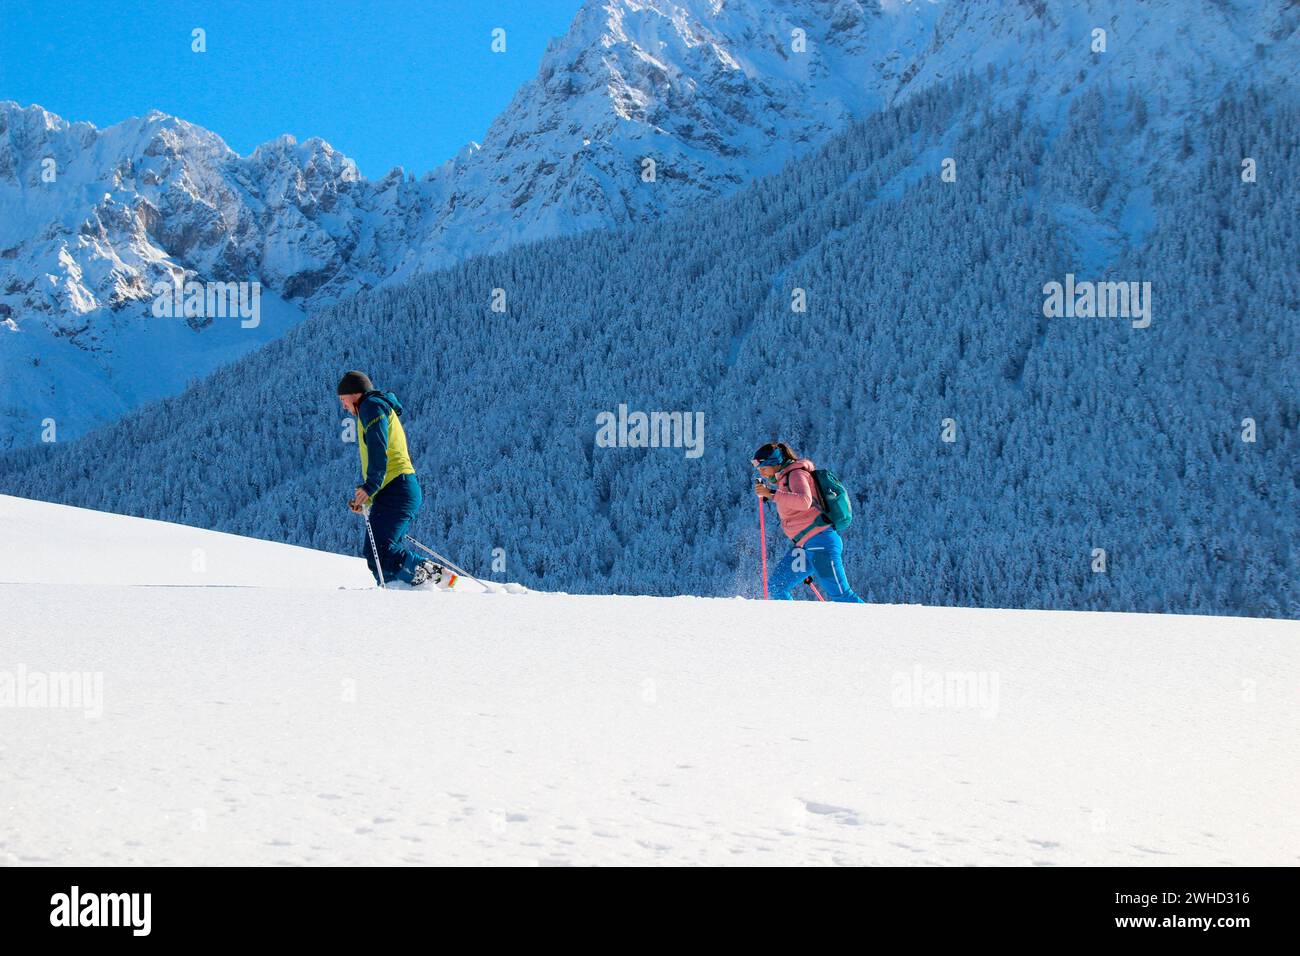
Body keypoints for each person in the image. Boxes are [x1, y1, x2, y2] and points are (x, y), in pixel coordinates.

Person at [337, 370, 441, 586]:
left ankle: (430, 576)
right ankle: (400, 591)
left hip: (398, 490)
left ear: (354, 394)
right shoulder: (370, 407)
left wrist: (369, 487)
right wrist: (369, 498)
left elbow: (378, 448)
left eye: (343, 400)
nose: (343, 406)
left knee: (380, 551)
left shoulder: (371, 406)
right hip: (394, 490)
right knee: (378, 554)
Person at [753, 441, 864, 603]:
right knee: (776, 587)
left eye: (763, 467)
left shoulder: (797, 474)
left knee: (842, 596)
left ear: (775, 463)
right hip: (805, 546)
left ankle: (871, 627)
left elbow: (804, 501)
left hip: (821, 543)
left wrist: (771, 493)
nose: (760, 472)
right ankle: (792, 626)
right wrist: (770, 494)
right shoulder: (784, 479)